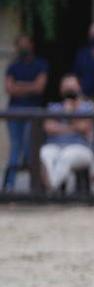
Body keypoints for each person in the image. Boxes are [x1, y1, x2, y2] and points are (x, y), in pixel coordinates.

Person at [4, 34, 48, 191]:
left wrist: (19, 86)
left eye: (25, 44)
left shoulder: (40, 64)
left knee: (31, 148)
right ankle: (9, 185)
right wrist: (30, 86)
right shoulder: (13, 66)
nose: (23, 47)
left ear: (31, 45)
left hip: (33, 114)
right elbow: (9, 89)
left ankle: (36, 185)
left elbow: (39, 87)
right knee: (16, 147)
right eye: (20, 44)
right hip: (14, 113)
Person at [38, 75, 94, 194]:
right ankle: (53, 187)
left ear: (79, 88)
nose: (70, 91)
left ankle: (51, 187)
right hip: (55, 145)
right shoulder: (53, 107)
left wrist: (70, 113)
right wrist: (73, 127)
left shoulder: (87, 106)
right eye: (66, 87)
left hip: (80, 148)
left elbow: (84, 127)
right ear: (61, 89)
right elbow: (48, 127)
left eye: (72, 87)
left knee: (66, 155)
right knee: (45, 154)